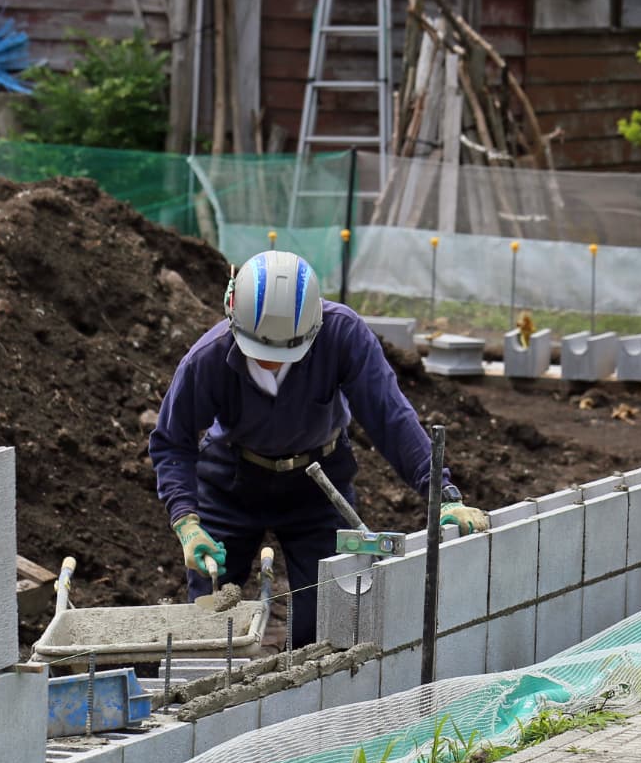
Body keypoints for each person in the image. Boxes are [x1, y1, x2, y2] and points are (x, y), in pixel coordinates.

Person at [149, 249, 487, 649]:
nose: (270, 364)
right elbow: (173, 441)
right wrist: (187, 523)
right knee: (208, 615)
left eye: (281, 353)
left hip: (318, 483)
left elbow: (390, 417)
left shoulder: (342, 335)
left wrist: (443, 493)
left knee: (327, 621)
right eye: (259, 351)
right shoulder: (207, 359)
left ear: (312, 328)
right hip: (231, 483)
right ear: (233, 315)